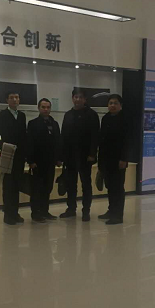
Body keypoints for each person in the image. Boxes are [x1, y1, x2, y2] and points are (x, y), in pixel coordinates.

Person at [60, 88, 100, 222]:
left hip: (85, 157)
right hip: (70, 157)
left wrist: (92, 154)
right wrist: (62, 156)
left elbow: (95, 136)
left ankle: (86, 210)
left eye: (80, 97)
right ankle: (71, 209)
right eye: (75, 97)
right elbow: (63, 136)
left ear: (85, 99)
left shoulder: (92, 115)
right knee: (70, 184)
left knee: (86, 184)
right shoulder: (68, 115)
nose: (78, 99)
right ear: (72, 98)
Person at [0, 91, 27, 225]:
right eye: (12, 98)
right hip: (7, 154)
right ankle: (8, 215)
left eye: (17, 97)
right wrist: (5, 147)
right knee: (8, 186)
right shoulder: (1, 115)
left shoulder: (22, 116)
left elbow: (24, 136)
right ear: (7, 100)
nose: (15, 100)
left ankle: (15, 213)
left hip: (20, 156)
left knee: (17, 185)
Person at [27, 98, 63, 223]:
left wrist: (59, 159)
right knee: (37, 189)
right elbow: (29, 143)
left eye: (48, 107)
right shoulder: (33, 124)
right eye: (43, 107)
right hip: (37, 163)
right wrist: (31, 161)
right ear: (38, 108)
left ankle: (44, 211)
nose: (46, 109)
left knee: (48, 188)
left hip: (50, 162)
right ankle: (35, 213)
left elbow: (58, 142)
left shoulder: (54, 124)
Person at [98, 94, 128, 225]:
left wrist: (124, 158)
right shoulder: (105, 119)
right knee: (109, 186)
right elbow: (102, 140)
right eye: (110, 103)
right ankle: (111, 210)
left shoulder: (125, 119)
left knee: (118, 187)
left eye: (115, 103)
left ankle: (118, 215)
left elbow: (127, 141)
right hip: (106, 159)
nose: (112, 105)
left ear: (120, 105)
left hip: (119, 160)